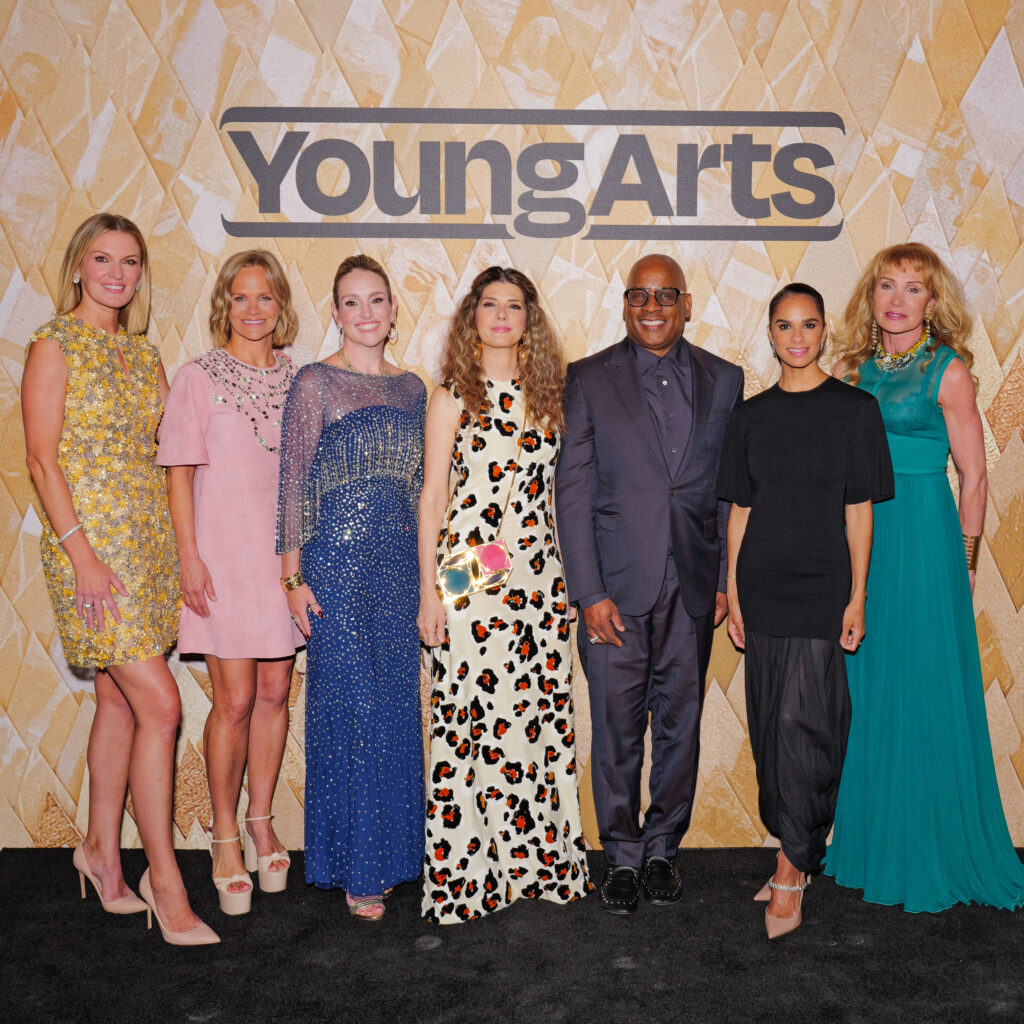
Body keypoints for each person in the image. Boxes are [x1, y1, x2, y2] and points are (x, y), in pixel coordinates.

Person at [21, 212, 218, 945]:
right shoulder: (53, 345)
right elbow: (43, 462)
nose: (116, 272)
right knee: (161, 705)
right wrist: (82, 557)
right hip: (91, 551)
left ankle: (100, 851)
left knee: (118, 702)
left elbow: (176, 447)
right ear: (78, 267)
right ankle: (162, 877)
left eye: (129, 261)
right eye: (102, 259)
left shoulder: (143, 353)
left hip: (149, 547)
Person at [823, 242, 1024, 912]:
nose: (897, 299)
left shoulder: (950, 371)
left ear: (933, 302)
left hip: (925, 540)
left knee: (921, 684)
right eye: (887, 286)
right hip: (864, 540)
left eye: (913, 289)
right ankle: (871, 840)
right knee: (870, 687)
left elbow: (974, 477)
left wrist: (964, 563)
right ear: (871, 296)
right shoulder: (852, 370)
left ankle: (927, 845)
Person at [555, 254, 743, 914]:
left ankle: (664, 849)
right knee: (615, 731)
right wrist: (589, 593)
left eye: (666, 296)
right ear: (626, 303)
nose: (653, 306)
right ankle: (622, 857)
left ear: (687, 304)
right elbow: (572, 493)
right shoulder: (588, 379)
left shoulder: (724, 380)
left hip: (692, 589)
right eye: (640, 295)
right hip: (615, 591)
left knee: (680, 727)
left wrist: (723, 580)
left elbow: (728, 491)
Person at [717, 283, 893, 938]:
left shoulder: (855, 412)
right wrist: (733, 591)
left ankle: (793, 869)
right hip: (761, 588)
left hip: (823, 587)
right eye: (785, 326)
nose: (797, 337)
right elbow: (740, 510)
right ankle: (794, 845)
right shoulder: (750, 418)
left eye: (809, 325)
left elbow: (859, 511)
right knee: (769, 725)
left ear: (824, 332)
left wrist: (858, 595)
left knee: (805, 724)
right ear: (771, 333)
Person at [417, 266, 591, 924]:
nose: (500, 316)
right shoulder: (452, 395)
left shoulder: (552, 394)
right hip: (468, 569)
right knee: (468, 716)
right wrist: (431, 593)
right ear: (473, 317)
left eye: (512, 306)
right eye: (488, 305)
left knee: (536, 717)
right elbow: (433, 496)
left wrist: (569, 580)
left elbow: (562, 497)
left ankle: (536, 864)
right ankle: (471, 874)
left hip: (539, 576)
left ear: (529, 318)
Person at [276, 254, 425, 921]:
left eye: (377, 300)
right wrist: (292, 577)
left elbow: (423, 492)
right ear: (335, 312)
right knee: (356, 713)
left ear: (394, 310)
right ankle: (357, 866)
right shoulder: (315, 383)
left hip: (399, 571)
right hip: (334, 570)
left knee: (394, 712)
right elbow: (292, 484)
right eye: (351, 302)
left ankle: (391, 856)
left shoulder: (414, 389)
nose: (365, 313)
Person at [159, 251, 301, 915]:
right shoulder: (196, 378)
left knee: (277, 690)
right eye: (241, 298)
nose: (252, 310)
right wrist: (188, 556)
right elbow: (179, 473)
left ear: (281, 306)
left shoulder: (299, 380)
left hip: (281, 564)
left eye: (264, 298)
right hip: (220, 559)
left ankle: (261, 820)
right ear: (225, 304)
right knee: (236, 699)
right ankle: (222, 836)